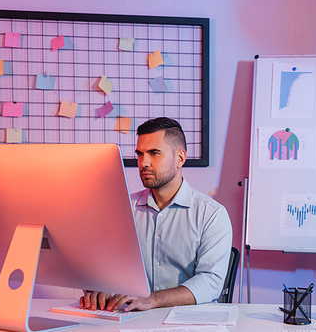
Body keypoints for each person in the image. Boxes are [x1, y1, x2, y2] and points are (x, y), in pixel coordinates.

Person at [80, 117, 233, 311]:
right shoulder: (121, 209)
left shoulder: (212, 215)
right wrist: (96, 287)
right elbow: (98, 264)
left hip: (188, 321)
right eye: (140, 154)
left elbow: (211, 282)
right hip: (130, 319)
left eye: (154, 153)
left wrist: (153, 299)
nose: (143, 162)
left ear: (180, 158)